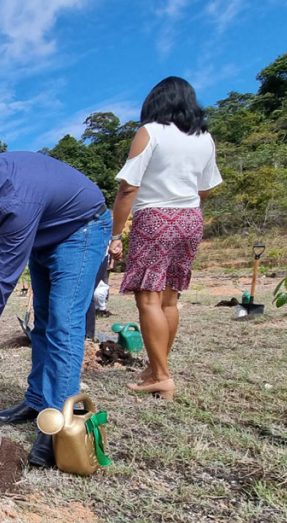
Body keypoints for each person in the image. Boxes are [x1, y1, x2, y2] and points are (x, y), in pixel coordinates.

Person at [0, 148, 111, 468]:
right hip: (45, 232)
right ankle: (38, 401)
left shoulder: (16, 202)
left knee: (63, 323)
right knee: (42, 322)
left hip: (80, 230)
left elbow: (3, 284)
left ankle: (58, 424)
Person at [109, 76, 223, 401]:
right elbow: (204, 188)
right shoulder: (204, 138)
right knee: (170, 299)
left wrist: (116, 234)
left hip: (155, 217)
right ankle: (156, 369)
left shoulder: (151, 132)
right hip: (190, 217)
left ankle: (161, 375)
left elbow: (128, 187)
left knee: (148, 299)